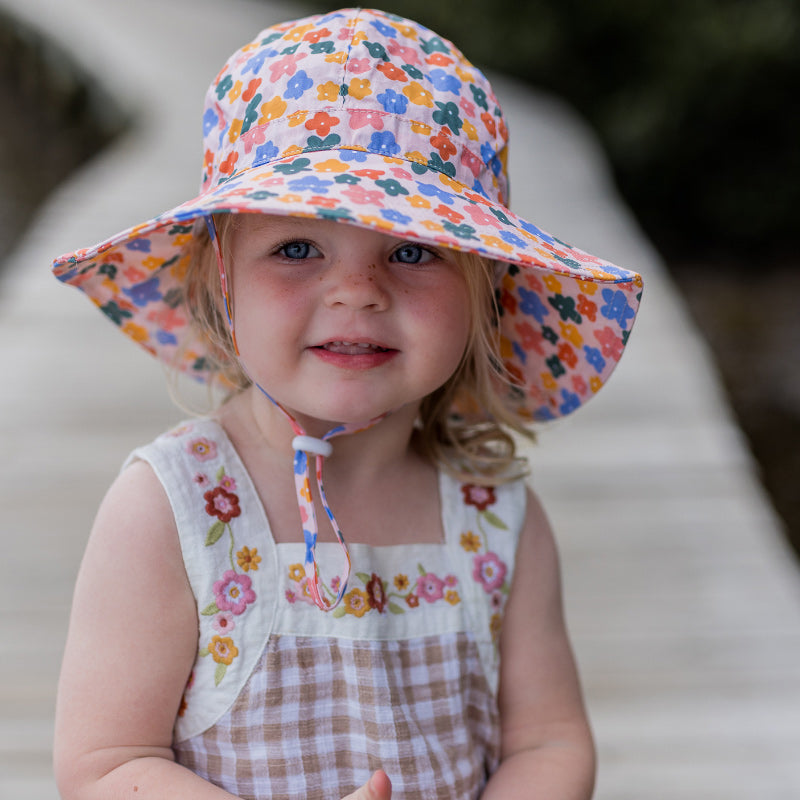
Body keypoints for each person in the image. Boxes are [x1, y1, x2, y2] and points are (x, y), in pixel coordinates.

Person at [51, 8, 642, 800]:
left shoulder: (496, 520)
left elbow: (548, 741)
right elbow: (107, 766)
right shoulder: (176, 510)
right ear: (220, 284)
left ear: (484, 294)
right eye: (297, 249)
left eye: (412, 252)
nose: (358, 292)